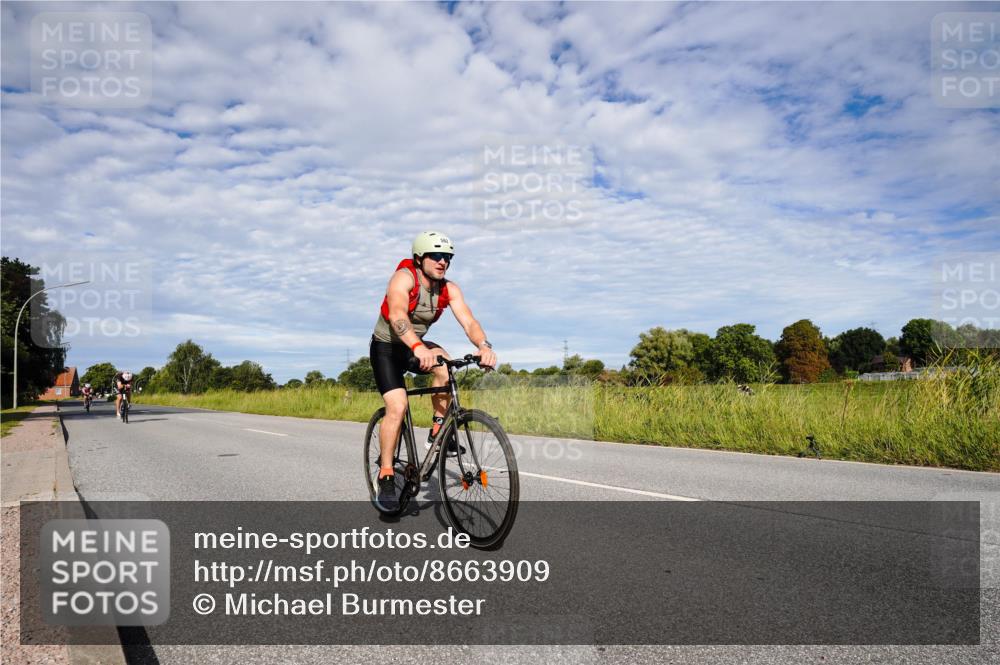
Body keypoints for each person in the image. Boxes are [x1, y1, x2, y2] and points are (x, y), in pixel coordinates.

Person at [370, 231, 497, 511]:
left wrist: (483, 345)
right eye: (437, 256)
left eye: (448, 257)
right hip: (387, 348)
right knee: (397, 407)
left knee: (446, 367)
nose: (443, 262)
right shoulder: (404, 278)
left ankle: (437, 432)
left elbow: (469, 321)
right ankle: (386, 474)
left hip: (416, 346)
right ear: (419, 258)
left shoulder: (449, 289)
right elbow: (397, 314)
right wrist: (417, 347)